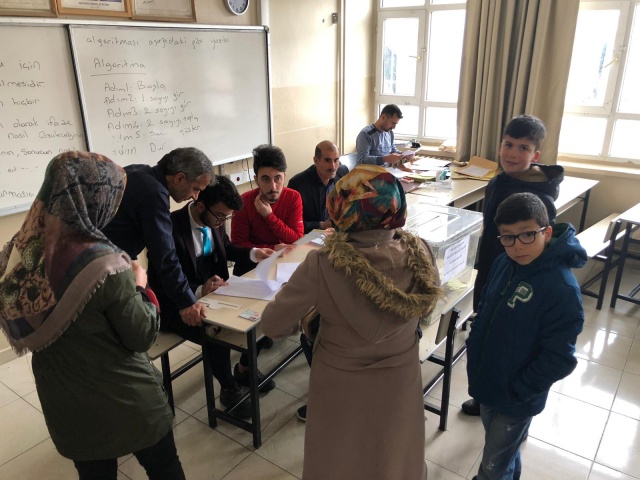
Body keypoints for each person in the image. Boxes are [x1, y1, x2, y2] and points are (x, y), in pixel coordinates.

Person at [0, 152, 185, 480]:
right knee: (164, 468)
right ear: (96, 198)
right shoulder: (105, 264)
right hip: (126, 398)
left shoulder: (19, 252)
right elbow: (141, 335)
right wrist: (141, 286)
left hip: (65, 402)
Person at [261, 164, 442, 480]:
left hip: (340, 382)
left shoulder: (323, 263)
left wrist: (306, 320)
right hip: (400, 375)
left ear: (339, 209)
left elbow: (272, 325)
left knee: (340, 460)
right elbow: (426, 309)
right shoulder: (420, 251)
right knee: (394, 455)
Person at [466, 192, 586, 480]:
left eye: (527, 234)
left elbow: (559, 358)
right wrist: (474, 343)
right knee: (505, 451)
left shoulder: (562, 288)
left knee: (493, 466)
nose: (517, 245)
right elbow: (485, 306)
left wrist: (519, 390)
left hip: (516, 398)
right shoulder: (503, 263)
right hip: (489, 382)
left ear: (546, 232)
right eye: (507, 237)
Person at [148, 176, 276, 418]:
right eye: (220, 217)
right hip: (177, 303)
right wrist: (199, 290)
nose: (222, 222)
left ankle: (244, 369)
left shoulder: (216, 218)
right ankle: (228, 389)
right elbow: (161, 280)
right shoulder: (169, 227)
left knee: (260, 313)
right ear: (200, 206)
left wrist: (254, 253)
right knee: (217, 333)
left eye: (227, 217)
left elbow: (225, 246)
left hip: (215, 292)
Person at [462, 114, 564, 416]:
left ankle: (501, 400)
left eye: (523, 148)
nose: (512, 153)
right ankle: (485, 395)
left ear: (535, 155)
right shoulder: (499, 181)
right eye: (508, 144)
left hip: (516, 278)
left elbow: (539, 250)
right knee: (485, 332)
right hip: (492, 269)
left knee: (505, 341)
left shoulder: (538, 197)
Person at [102, 147, 213, 328]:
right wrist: (186, 302)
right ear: (179, 178)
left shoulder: (138, 171)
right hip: (107, 269)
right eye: (195, 189)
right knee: (140, 324)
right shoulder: (154, 193)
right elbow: (165, 256)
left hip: (98, 259)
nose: (195, 197)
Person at [231, 144, 304, 275]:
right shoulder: (243, 203)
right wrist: (273, 248)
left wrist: (269, 216)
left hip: (283, 262)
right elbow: (238, 246)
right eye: (265, 179)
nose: (273, 187)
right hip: (251, 266)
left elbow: (296, 238)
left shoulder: (293, 197)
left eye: (277, 178)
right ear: (256, 180)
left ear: (284, 177)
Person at [288, 140, 349, 233]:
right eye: (327, 160)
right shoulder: (297, 184)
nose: (333, 167)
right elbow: (292, 223)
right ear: (316, 161)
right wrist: (322, 225)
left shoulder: (343, 173)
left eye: (336, 160)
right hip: (311, 235)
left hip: (338, 232)